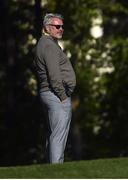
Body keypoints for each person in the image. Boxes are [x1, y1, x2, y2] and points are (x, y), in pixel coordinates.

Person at [34, 13, 76, 164]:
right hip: (55, 95)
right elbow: (54, 75)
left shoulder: (45, 44)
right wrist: (63, 96)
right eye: (57, 26)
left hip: (51, 94)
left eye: (62, 26)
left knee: (53, 134)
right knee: (58, 135)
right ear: (47, 28)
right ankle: (56, 171)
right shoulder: (48, 45)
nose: (61, 29)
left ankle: (50, 170)